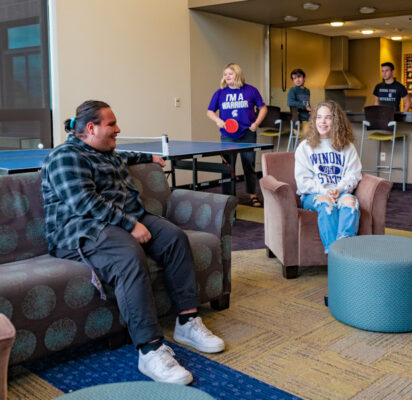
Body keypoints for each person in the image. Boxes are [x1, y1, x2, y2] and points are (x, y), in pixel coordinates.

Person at [41, 100, 225, 385]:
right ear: (91, 128)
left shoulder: (107, 151)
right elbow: (84, 202)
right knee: (128, 254)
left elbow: (124, 156)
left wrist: (148, 158)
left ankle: (187, 321)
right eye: (111, 124)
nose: (118, 129)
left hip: (122, 218)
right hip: (81, 228)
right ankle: (149, 349)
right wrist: (131, 225)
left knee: (174, 238)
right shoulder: (65, 157)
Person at [294, 100, 362, 253]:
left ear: (336, 121)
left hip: (340, 191)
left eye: (328, 117)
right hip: (313, 195)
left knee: (350, 203)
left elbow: (354, 174)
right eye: (318, 117)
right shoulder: (304, 147)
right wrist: (325, 192)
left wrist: (339, 189)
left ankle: (345, 251)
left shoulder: (347, 147)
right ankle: (333, 254)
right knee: (327, 205)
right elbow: (303, 182)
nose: (322, 122)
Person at [207, 62, 267, 207]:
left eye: (230, 73)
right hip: (227, 135)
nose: (227, 76)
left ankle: (252, 195)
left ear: (237, 74)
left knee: (249, 165)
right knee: (228, 167)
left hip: (247, 134)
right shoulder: (220, 92)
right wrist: (218, 120)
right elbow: (209, 111)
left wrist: (256, 123)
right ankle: (227, 198)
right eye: (225, 74)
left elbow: (263, 108)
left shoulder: (251, 90)